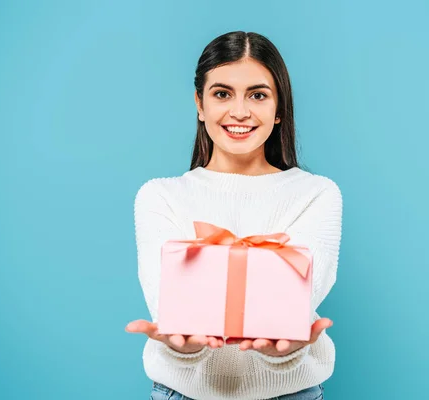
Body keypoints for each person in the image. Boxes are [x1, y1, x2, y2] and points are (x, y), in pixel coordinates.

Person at [125, 31, 343, 400]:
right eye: (222, 94)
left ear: (279, 110)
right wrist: (185, 347)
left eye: (258, 95)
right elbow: (170, 305)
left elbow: (295, 305)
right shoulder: (160, 196)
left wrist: (283, 355)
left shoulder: (317, 194)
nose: (239, 112)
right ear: (200, 104)